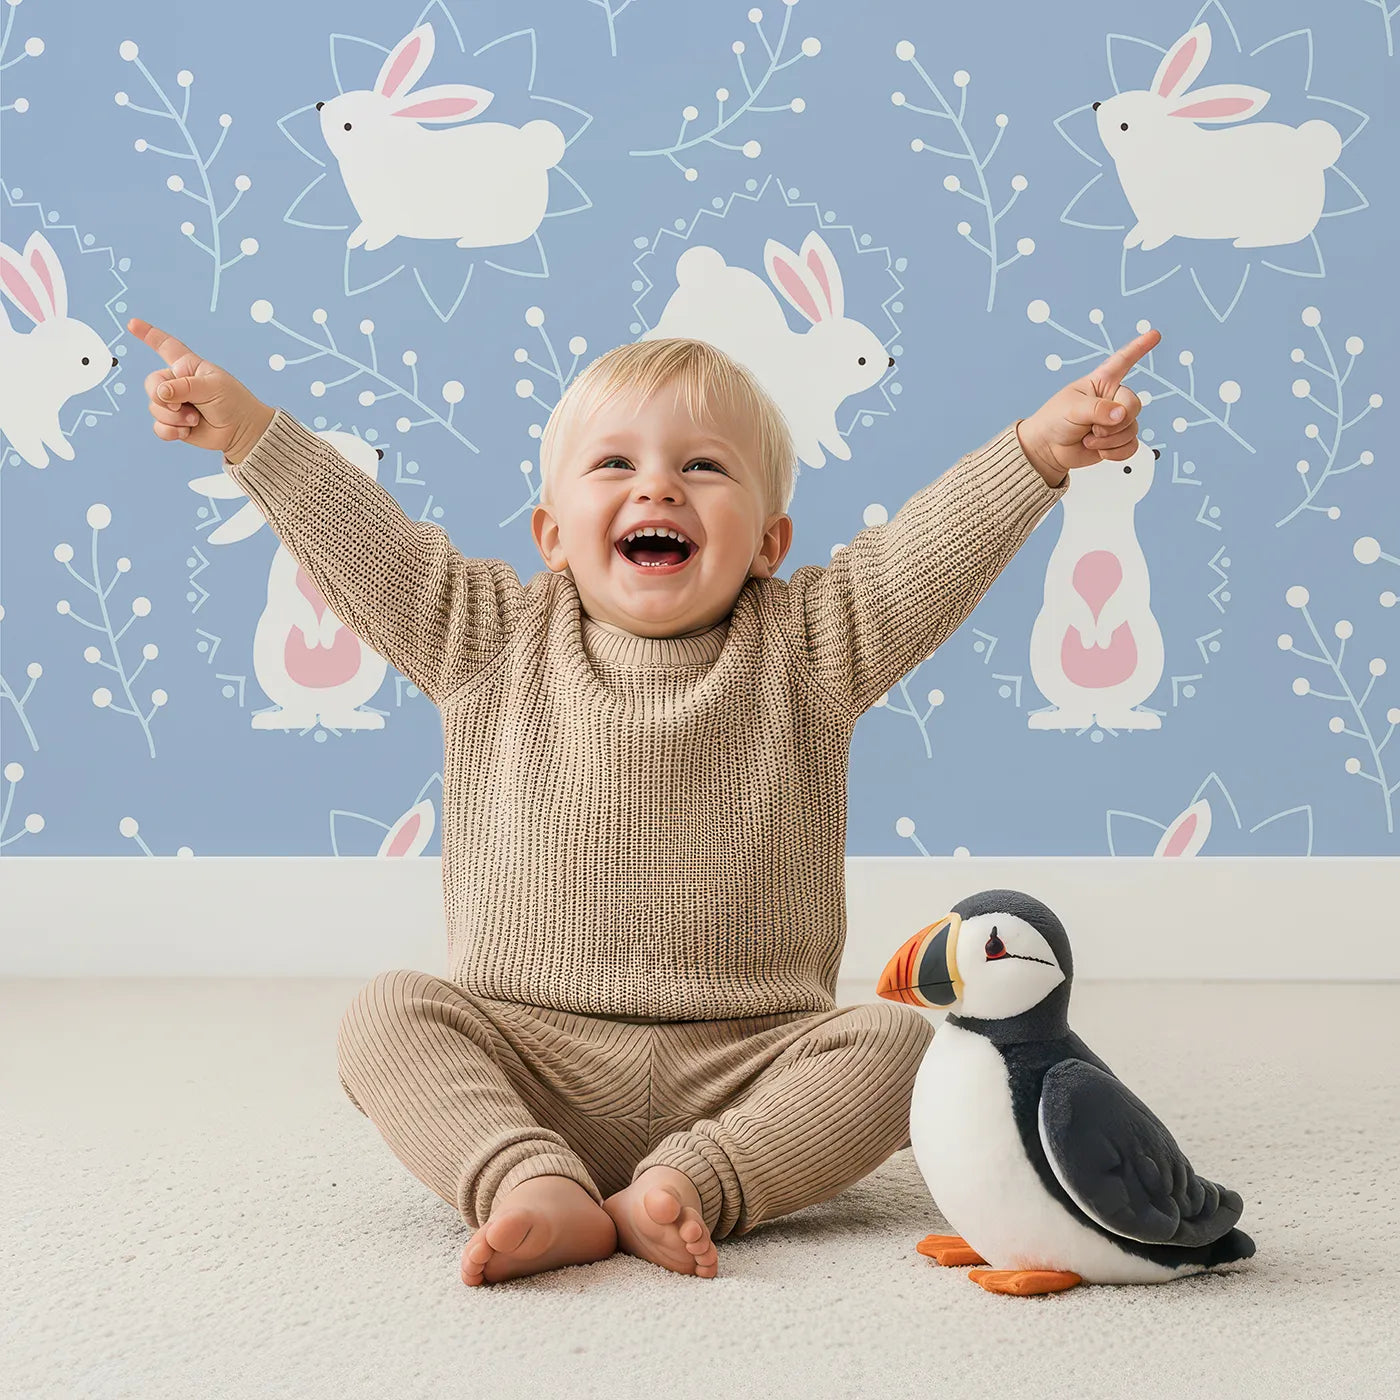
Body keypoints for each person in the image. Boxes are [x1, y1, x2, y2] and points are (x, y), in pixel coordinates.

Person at [129, 317, 1155, 1287]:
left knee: (902, 1047)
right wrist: (252, 433)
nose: (656, 484)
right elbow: (365, 541)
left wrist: (1039, 449)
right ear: (551, 532)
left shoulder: (811, 645)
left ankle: (686, 1184)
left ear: (766, 540)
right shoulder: (482, 635)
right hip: (528, 1050)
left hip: (748, 1062)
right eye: (613, 463)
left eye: (701, 466)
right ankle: (524, 1175)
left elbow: (924, 550)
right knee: (386, 1015)